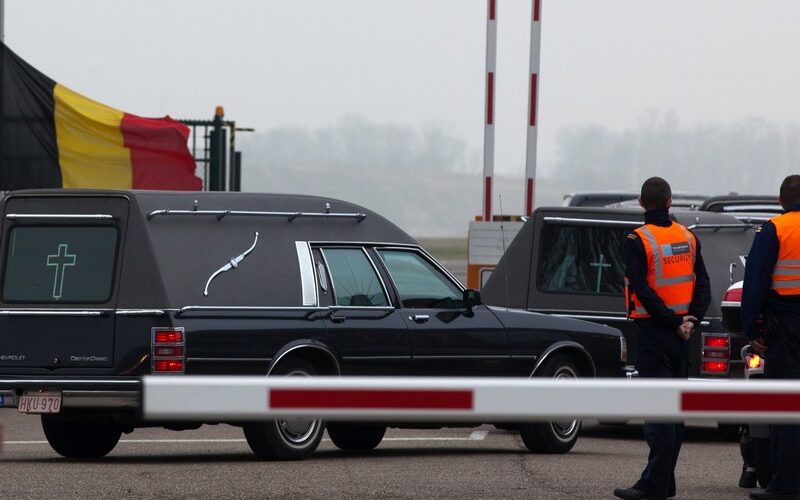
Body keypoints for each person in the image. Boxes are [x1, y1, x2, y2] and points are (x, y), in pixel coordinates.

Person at [614, 177, 711, 500]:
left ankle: (653, 485)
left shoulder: (637, 239)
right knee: (674, 412)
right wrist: (691, 320)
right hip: (683, 336)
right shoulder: (688, 236)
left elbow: (642, 289)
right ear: (670, 202)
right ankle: (664, 482)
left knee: (658, 411)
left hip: (655, 333)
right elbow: (703, 285)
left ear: (641, 202)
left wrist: (672, 322)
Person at [742, 174, 800, 500]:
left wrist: (752, 330)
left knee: (787, 405)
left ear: (780, 201)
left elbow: (755, 283)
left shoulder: (774, 230)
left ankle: (786, 483)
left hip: (787, 328)